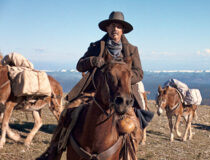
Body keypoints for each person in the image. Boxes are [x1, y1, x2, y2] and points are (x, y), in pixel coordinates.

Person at [37, 11, 153, 160]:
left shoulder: (132, 49)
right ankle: (53, 150)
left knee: (133, 125)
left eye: (118, 26)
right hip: (94, 91)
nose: (115, 29)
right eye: (112, 26)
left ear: (122, 30)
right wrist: (92, 60)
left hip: (121, 93)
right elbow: (80, 65)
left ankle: (130, 155)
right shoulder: (96, 46)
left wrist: (122, 76)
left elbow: (139, 73)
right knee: (68, 112)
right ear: (107, 28)